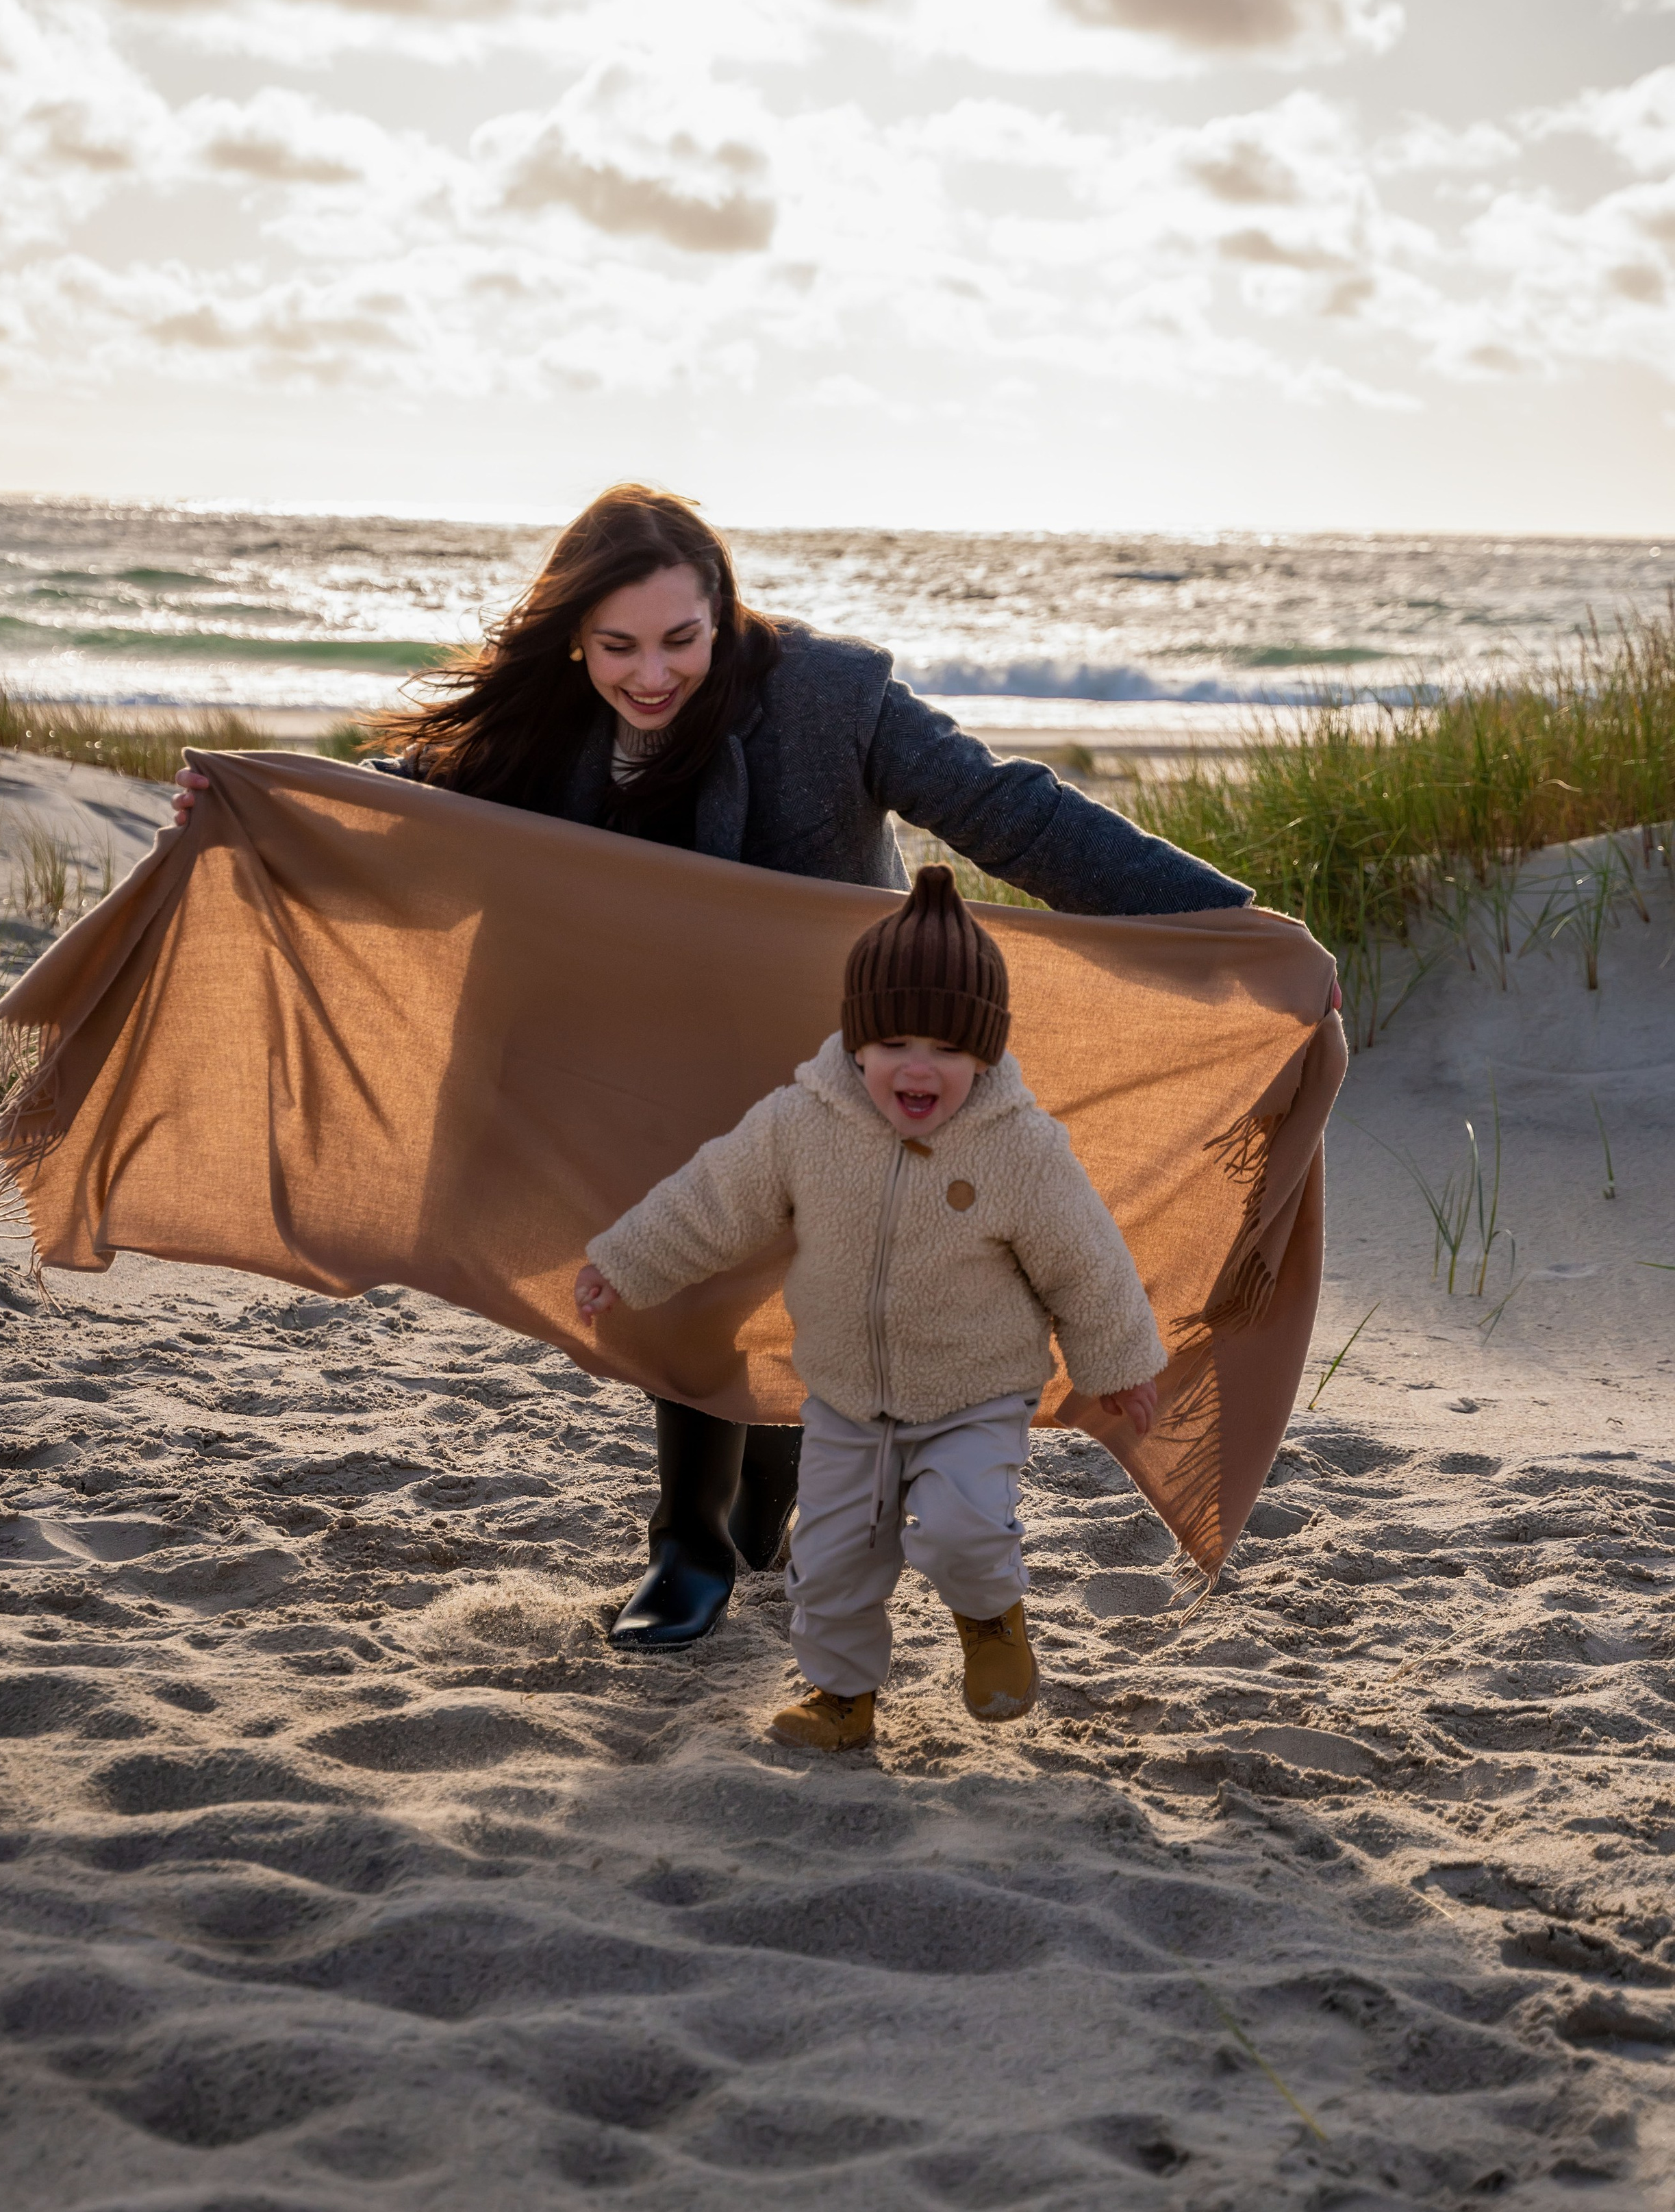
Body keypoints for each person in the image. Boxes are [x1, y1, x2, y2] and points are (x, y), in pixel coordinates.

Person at [172, 483, 1248, 1655]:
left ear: (724, 611)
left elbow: (1008, 811)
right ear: (575, 634)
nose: (649, 675)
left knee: (808, 1272)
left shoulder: (833, 697)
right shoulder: (551, 717)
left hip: (827, 1020)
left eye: (680, 640)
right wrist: (252, 808)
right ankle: (688, 1546)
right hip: (649, 1030)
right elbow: (416, 816)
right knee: (695, 1263)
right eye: (617, 646)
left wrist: (1220, 921)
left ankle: (753, 1515)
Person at [575, 866, 1166, 1748]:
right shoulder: (800, 1124)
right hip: (848, 1398)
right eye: (892, 1043)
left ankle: (992, 1621)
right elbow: (715, 1197)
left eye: (946, 1048)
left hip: (974, 1393)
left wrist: (1118, 1366)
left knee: (964, 1522)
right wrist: (627, 1260)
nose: (916, 1066)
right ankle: (843, 1700)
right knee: (835, 1559)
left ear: (985, 1054)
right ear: (857, 1045)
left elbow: (1087, 1262)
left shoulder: (1021, 1150)